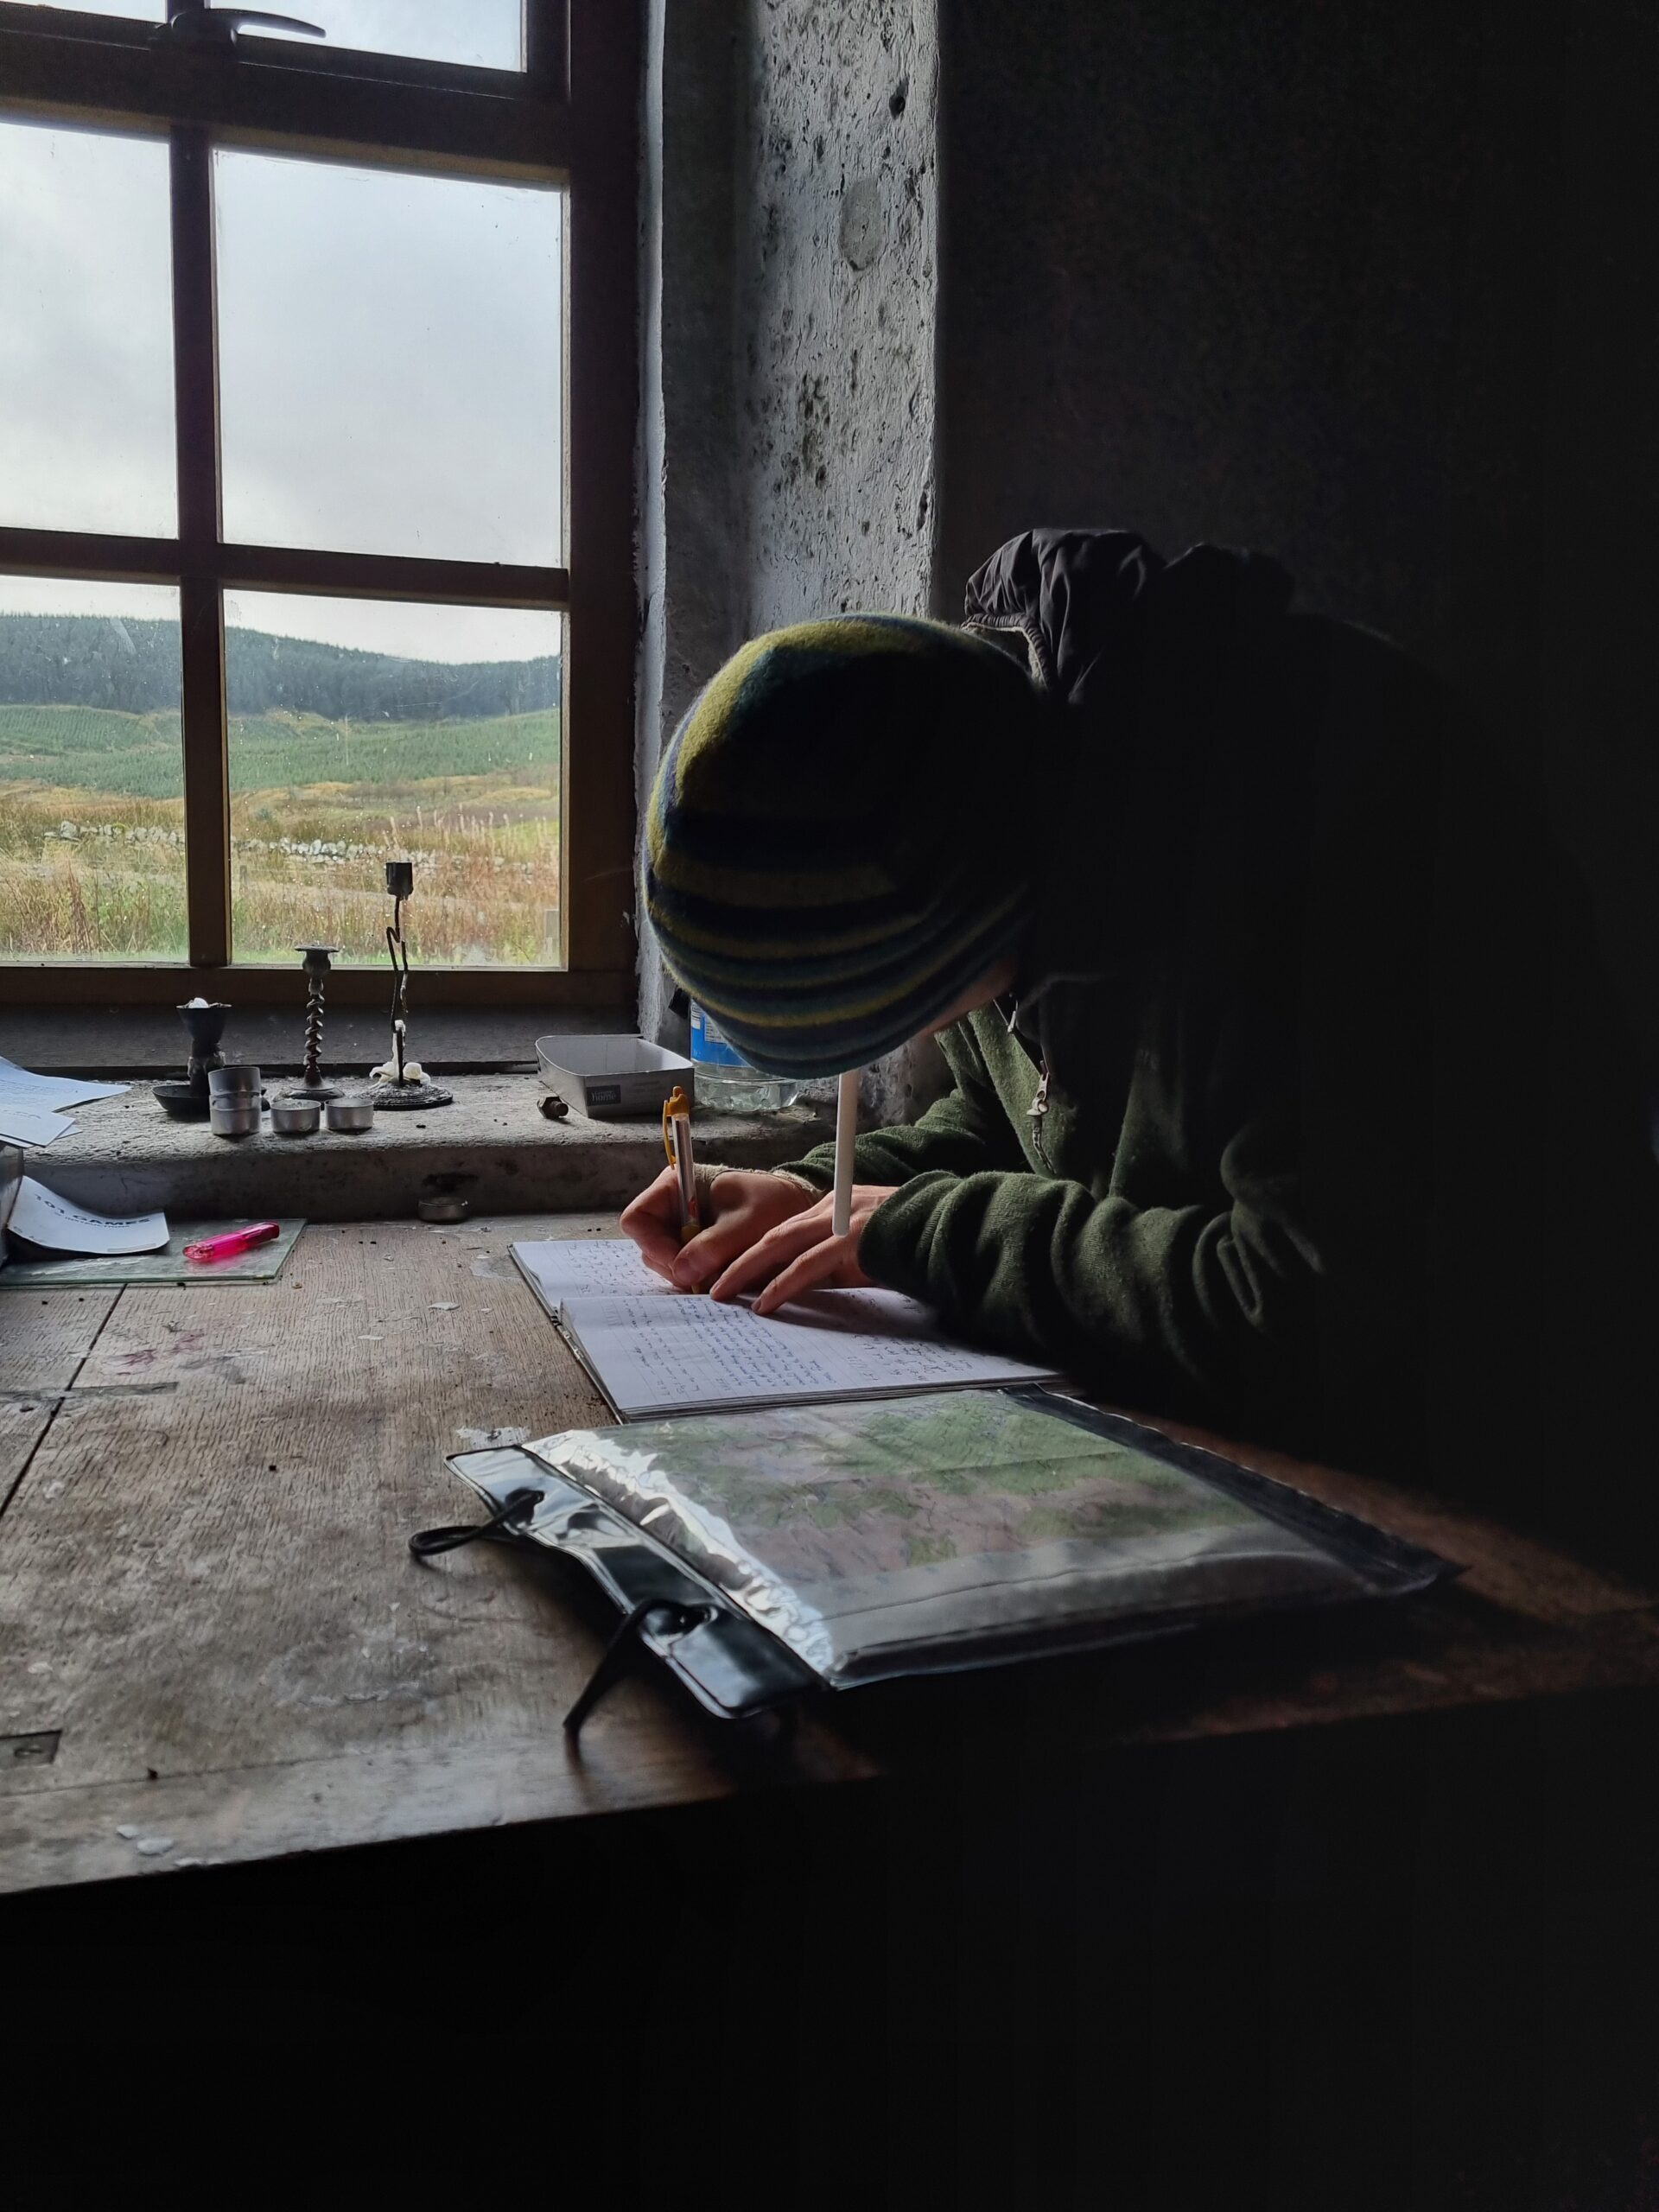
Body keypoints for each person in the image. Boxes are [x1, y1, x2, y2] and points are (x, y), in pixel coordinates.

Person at [624, 529, 1659, 1541]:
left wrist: (927, 1232)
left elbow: (1316, 1316)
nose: (922, 1036)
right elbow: (1021, 1120)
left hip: (1537, 1508)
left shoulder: (1340, 828)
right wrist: (819, 1196)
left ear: (947, 932)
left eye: (893, 1017)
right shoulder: (1020, 817)